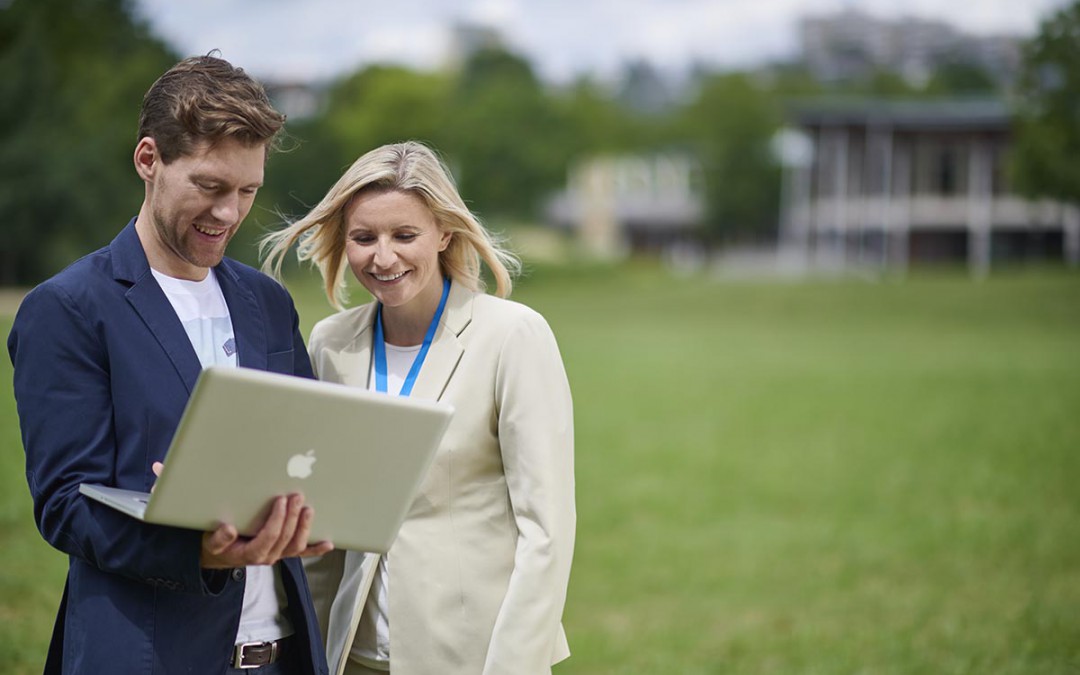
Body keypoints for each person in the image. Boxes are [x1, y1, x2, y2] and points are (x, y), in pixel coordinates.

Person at [8, 55, 334, 675]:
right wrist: (200, 553)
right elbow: (65, 507)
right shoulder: (69, 309)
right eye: (210, 187)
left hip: (284, 653)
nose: (230, 213)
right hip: (149, 655)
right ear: (148, 160)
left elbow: (306, 445)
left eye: (247, 191)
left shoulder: (266, 300)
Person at [260, 141, 576, 675]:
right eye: (364, 238)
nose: (384, 257)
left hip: (473, 658)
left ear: (443, 233)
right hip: (352, 656)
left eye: (405, 235)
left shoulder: (513, 335)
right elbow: (323, 522)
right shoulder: (331, 342)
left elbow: (546, 530)